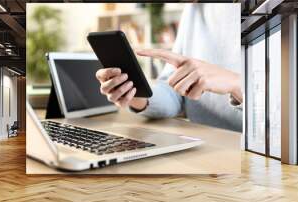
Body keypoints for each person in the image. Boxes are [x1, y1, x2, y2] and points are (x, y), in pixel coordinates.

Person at [95, 4, 243, 132]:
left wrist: (239, 86)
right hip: (201, 144)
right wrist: (138, 95)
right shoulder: (192, 9)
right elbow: (174, 95)